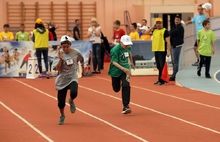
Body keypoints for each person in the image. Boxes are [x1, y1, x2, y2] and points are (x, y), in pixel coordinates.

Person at [52, 35, 84, 125]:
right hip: (62, 79)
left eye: (67, 46)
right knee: (61, 103)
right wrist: (61, 59)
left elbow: (81, 60)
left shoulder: (76, 53)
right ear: (61, 46)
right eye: (63, 47)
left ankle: (71, 100)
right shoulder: (58, 55)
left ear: (70, 45)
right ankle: (62, 115)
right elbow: (57, 68)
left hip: (72, 77)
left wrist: (83, 69)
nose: (65, 48)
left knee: (74, 92)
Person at [108, 35, 135, 114]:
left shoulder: (128, 47)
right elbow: (114, 62)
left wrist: (131, 62)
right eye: (125, 44)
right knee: (116, 89)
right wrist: (123, 68)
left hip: (126, 71)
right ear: (121, 42)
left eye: (128, 44)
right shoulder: (115, 50)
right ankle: (118, 83)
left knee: (126, 85)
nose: (127, 46)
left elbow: (129, 52)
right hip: (115, 70)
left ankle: (126, 106)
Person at [147, 17, 170, 85]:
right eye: (157, 23)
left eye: (160, 23)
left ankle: (162, 80)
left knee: (161, 66)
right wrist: (152, 27)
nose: (158, 24)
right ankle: (161, 79)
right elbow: (146, 32)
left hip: (162, 50)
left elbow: (168, 42)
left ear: (162, 23)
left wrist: (168, 51)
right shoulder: (154, 31)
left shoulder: (165, 31)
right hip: (156, 50)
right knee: (158, 66)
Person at [169, 15, 184, 81]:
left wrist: (169, 33)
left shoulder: (180, 28)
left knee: (175, 61)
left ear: (180, 21)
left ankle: (175, 75)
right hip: (173, 45)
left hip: (177, 45)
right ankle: (174, 73)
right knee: (173, 61)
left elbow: (171, 33)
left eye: (178, 20)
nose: (176, 21)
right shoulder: (174, 27)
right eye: (175, 20)